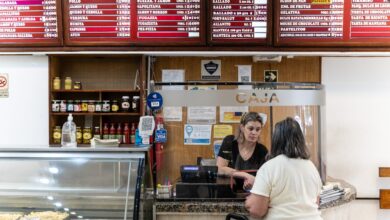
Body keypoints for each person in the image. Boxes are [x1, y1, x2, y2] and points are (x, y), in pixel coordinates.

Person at [245, 117, 323, 220]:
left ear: (276, 140)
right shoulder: (311, 166)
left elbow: (257, 210)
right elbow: (316, 201)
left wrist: (249, 201)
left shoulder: (270, 167)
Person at [216, 112, 268, 190]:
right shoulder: (230, 141)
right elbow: (220, 169)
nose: (254, 132)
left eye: (258, 129)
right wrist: (245, 175)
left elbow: (264, 178)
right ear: (242, 127)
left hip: (250, 194)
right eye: (250, 128)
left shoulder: (262, 150)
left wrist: (252, 185)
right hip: (227, 192)